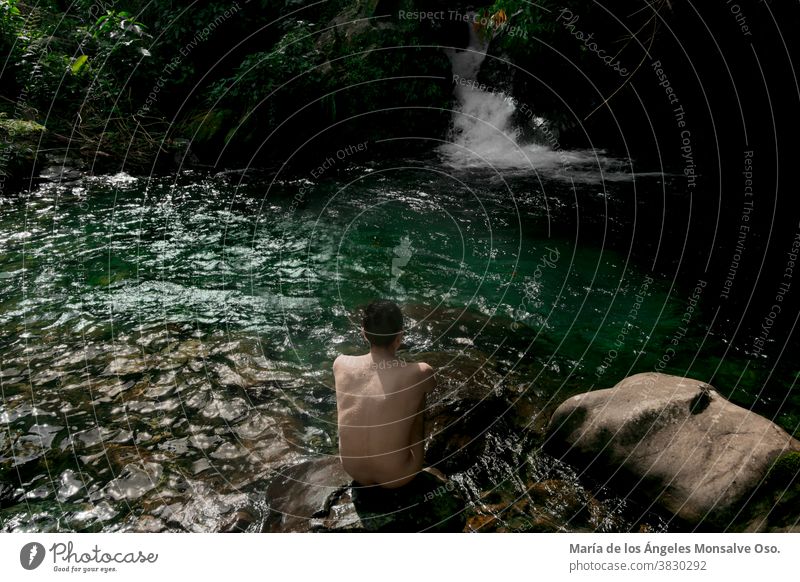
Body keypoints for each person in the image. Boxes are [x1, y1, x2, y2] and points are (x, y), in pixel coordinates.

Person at [334, 300, 436, 489]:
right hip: (399, 475)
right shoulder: (420, 372)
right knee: (417, 395)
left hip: (352, 469)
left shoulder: (340, 364)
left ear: (364, 333)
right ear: (400, 337)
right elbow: (431, 386)